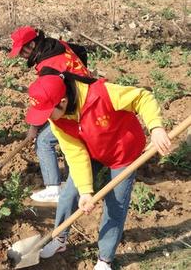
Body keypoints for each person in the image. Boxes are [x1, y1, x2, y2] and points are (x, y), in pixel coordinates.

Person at [25, 69, 172, 270]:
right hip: (94, 151)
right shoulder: (57, 118)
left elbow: (142, 97)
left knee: (115, 205)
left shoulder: (103, 94)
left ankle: (105, 259)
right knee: (69, 194)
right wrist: (86, 191)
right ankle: (59, 239)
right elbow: (75, 152)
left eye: (47, 112)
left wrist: (156, 128)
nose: (46, 118)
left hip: (124, 152)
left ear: (63, 101)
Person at [9, 26, 90, 203]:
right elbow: (81, 51)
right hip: (82, 98)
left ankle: (54, 188)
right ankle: (74, 183)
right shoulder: (56, 45)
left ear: (31, 44)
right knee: (69, 140)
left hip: (77, 107)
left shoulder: (49, 65)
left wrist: (34, 128)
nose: (21, 55)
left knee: (44, 141)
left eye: (22, 50)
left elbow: (45, 98)